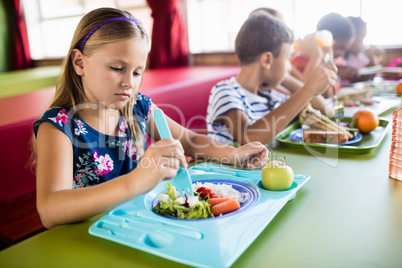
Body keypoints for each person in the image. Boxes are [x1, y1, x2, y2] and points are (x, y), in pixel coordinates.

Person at [32, 8, 268, 229]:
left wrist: (233, 154)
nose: (129, 82)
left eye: (137, 72)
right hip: (88, 236)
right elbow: (50, 210)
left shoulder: (138, 108)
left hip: (140, 225)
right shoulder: (59, 125)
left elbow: (188, 140)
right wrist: (135, 182)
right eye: (116, 68)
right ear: (79, 62)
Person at [206, 11, 337, 146]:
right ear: (267, 59)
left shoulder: (271, 96)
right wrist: (308, 90)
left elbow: (326, 111)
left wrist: (285, 78)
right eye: (287, 58)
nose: (290, 67)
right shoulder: (224, 91)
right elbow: (249, 138)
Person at [249, 7, 333, 116]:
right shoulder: (265, 79)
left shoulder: (283, 68)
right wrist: (314, 59)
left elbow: (319, 96)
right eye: (279, 30)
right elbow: (305, 103)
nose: (286, 35)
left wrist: (324, 57)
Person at [316, 12, 359, 86]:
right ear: (324, 41)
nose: (341, 54)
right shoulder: (306, 63)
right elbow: (326, 95)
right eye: (340, 48)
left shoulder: (337, 63)